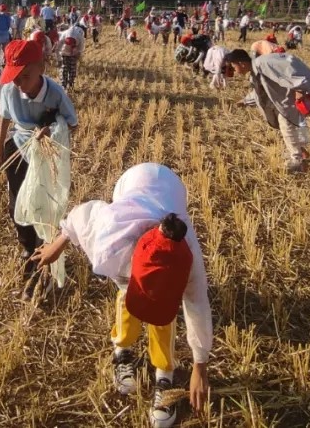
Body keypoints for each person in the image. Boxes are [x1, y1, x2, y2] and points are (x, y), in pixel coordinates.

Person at [33, 163, 211, 428]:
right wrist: (57, 245)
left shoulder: (188, 258)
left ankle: (164, 372)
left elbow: (197, 306)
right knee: (127, 300)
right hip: (131, 183)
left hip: (170, 188)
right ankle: (122, 349)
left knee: (162, 318)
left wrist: (200, 366)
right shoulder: (109, 238)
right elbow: (82, 214)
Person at [0, 39, 78, 298]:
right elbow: (5, 116)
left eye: (25, 76)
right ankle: (28, 246)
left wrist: (52, 128)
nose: (19, 83)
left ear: (41, 66)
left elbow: (73, 125)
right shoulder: (9, 90)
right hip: (18, 148)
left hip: (46, 153)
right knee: (17, 203)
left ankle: (44, 252)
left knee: (44, 205)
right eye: (14, 77)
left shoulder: (55, 93)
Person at [222, 49, 310, 173]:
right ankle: (299, 152)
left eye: (233, 66)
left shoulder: (264, 64)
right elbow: (260, 92)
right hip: (281, 103)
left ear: (241, 63)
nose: (234, 70)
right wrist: (246, 101)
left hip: (288, 102)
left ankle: (297, 161)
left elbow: (289, 69)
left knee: (287, 128)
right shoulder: (255, 71)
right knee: (286, 128)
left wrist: (300, 89)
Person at [58, 23, 86, 91]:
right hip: (64, 52)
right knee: (64, 68)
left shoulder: (80, 37)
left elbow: (80, 49)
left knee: (72, 69)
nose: (70, 47)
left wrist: (78, 56)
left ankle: (71, 84)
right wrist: (59, 59)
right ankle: (63, 85)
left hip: (74, 53)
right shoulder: (63, 35)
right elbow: (57, 48)